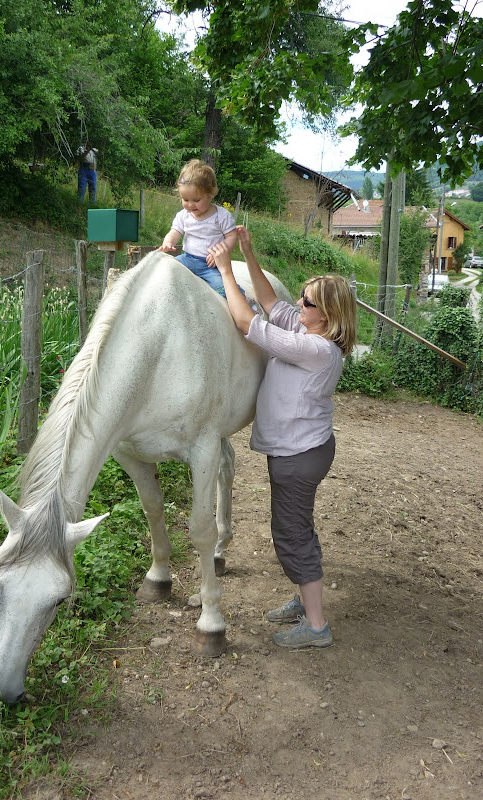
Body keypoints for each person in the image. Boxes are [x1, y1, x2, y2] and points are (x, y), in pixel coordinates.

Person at [210, 227, 356, 649]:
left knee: (290, 535)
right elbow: (271, 303)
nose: (300, 303)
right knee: (300, 527)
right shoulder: (311, 333)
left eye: (307, 301)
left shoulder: (316, 349)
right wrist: (249, 254)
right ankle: (306, 597)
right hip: (304, 449)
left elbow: (246, 320)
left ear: (324, 314)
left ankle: (316, 627)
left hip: (299, 454)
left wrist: (225, 269)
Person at [158, 159, 238, 297]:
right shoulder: (183, 215)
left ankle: (246, 302)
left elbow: (232, 236)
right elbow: (175, 231)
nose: (190, 205)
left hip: (211, 265)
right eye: (185, 199)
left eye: (196, 200)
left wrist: (220, 252)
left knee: (224, 289)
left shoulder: (221, 216)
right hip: (187, 259)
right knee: (164, 272)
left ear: (210, 194)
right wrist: (168, 242)